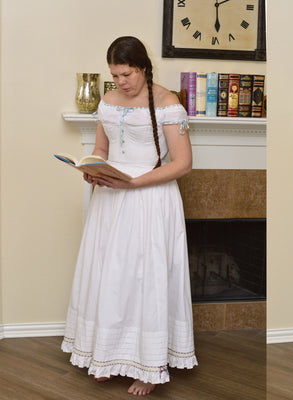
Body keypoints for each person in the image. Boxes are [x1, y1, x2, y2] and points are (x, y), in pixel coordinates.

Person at [61, 36, 197, 396]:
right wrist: (93, 170)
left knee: (145, 277)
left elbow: (183, 164)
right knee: (112, 274)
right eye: (115, 75)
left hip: (149, 196)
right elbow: (101, 148)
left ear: (143, 68)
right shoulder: (107, 100)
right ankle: (105, 355)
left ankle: (148, 367)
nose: (121, 81)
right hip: (111, 197)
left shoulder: (168, 104)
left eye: (127, 74)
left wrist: (134, 182)